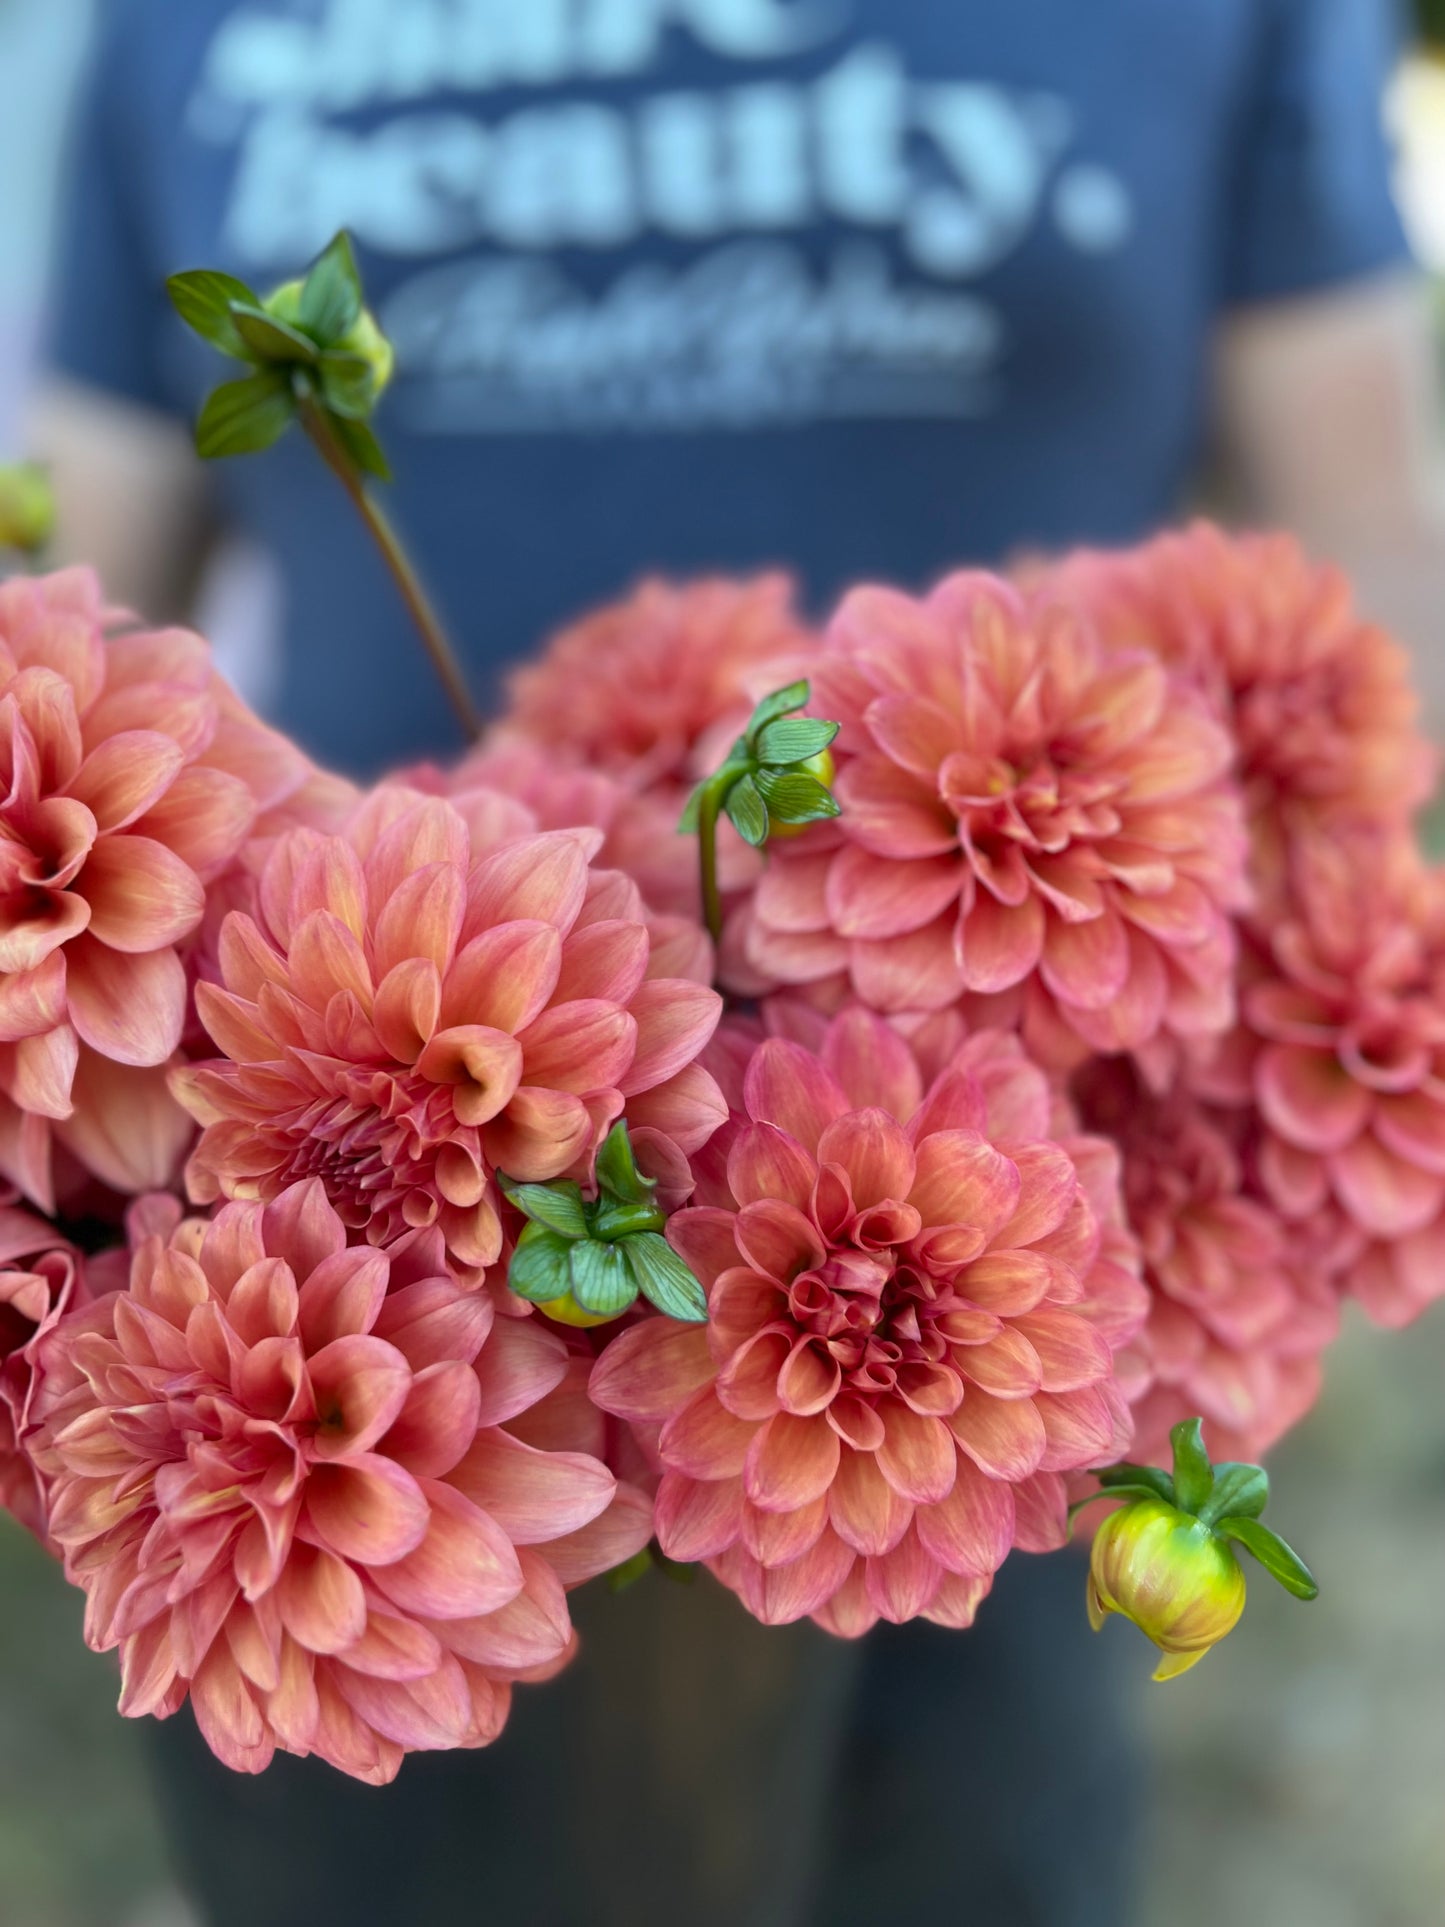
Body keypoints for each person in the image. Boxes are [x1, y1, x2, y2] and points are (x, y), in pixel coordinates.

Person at [27, 3, 1437, 1923]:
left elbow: (1364, 583)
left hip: (988, 1212)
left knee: (963, 1859)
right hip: (326, 1140)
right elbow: (68, 578)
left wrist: (1289, 1054)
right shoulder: (188, 20)